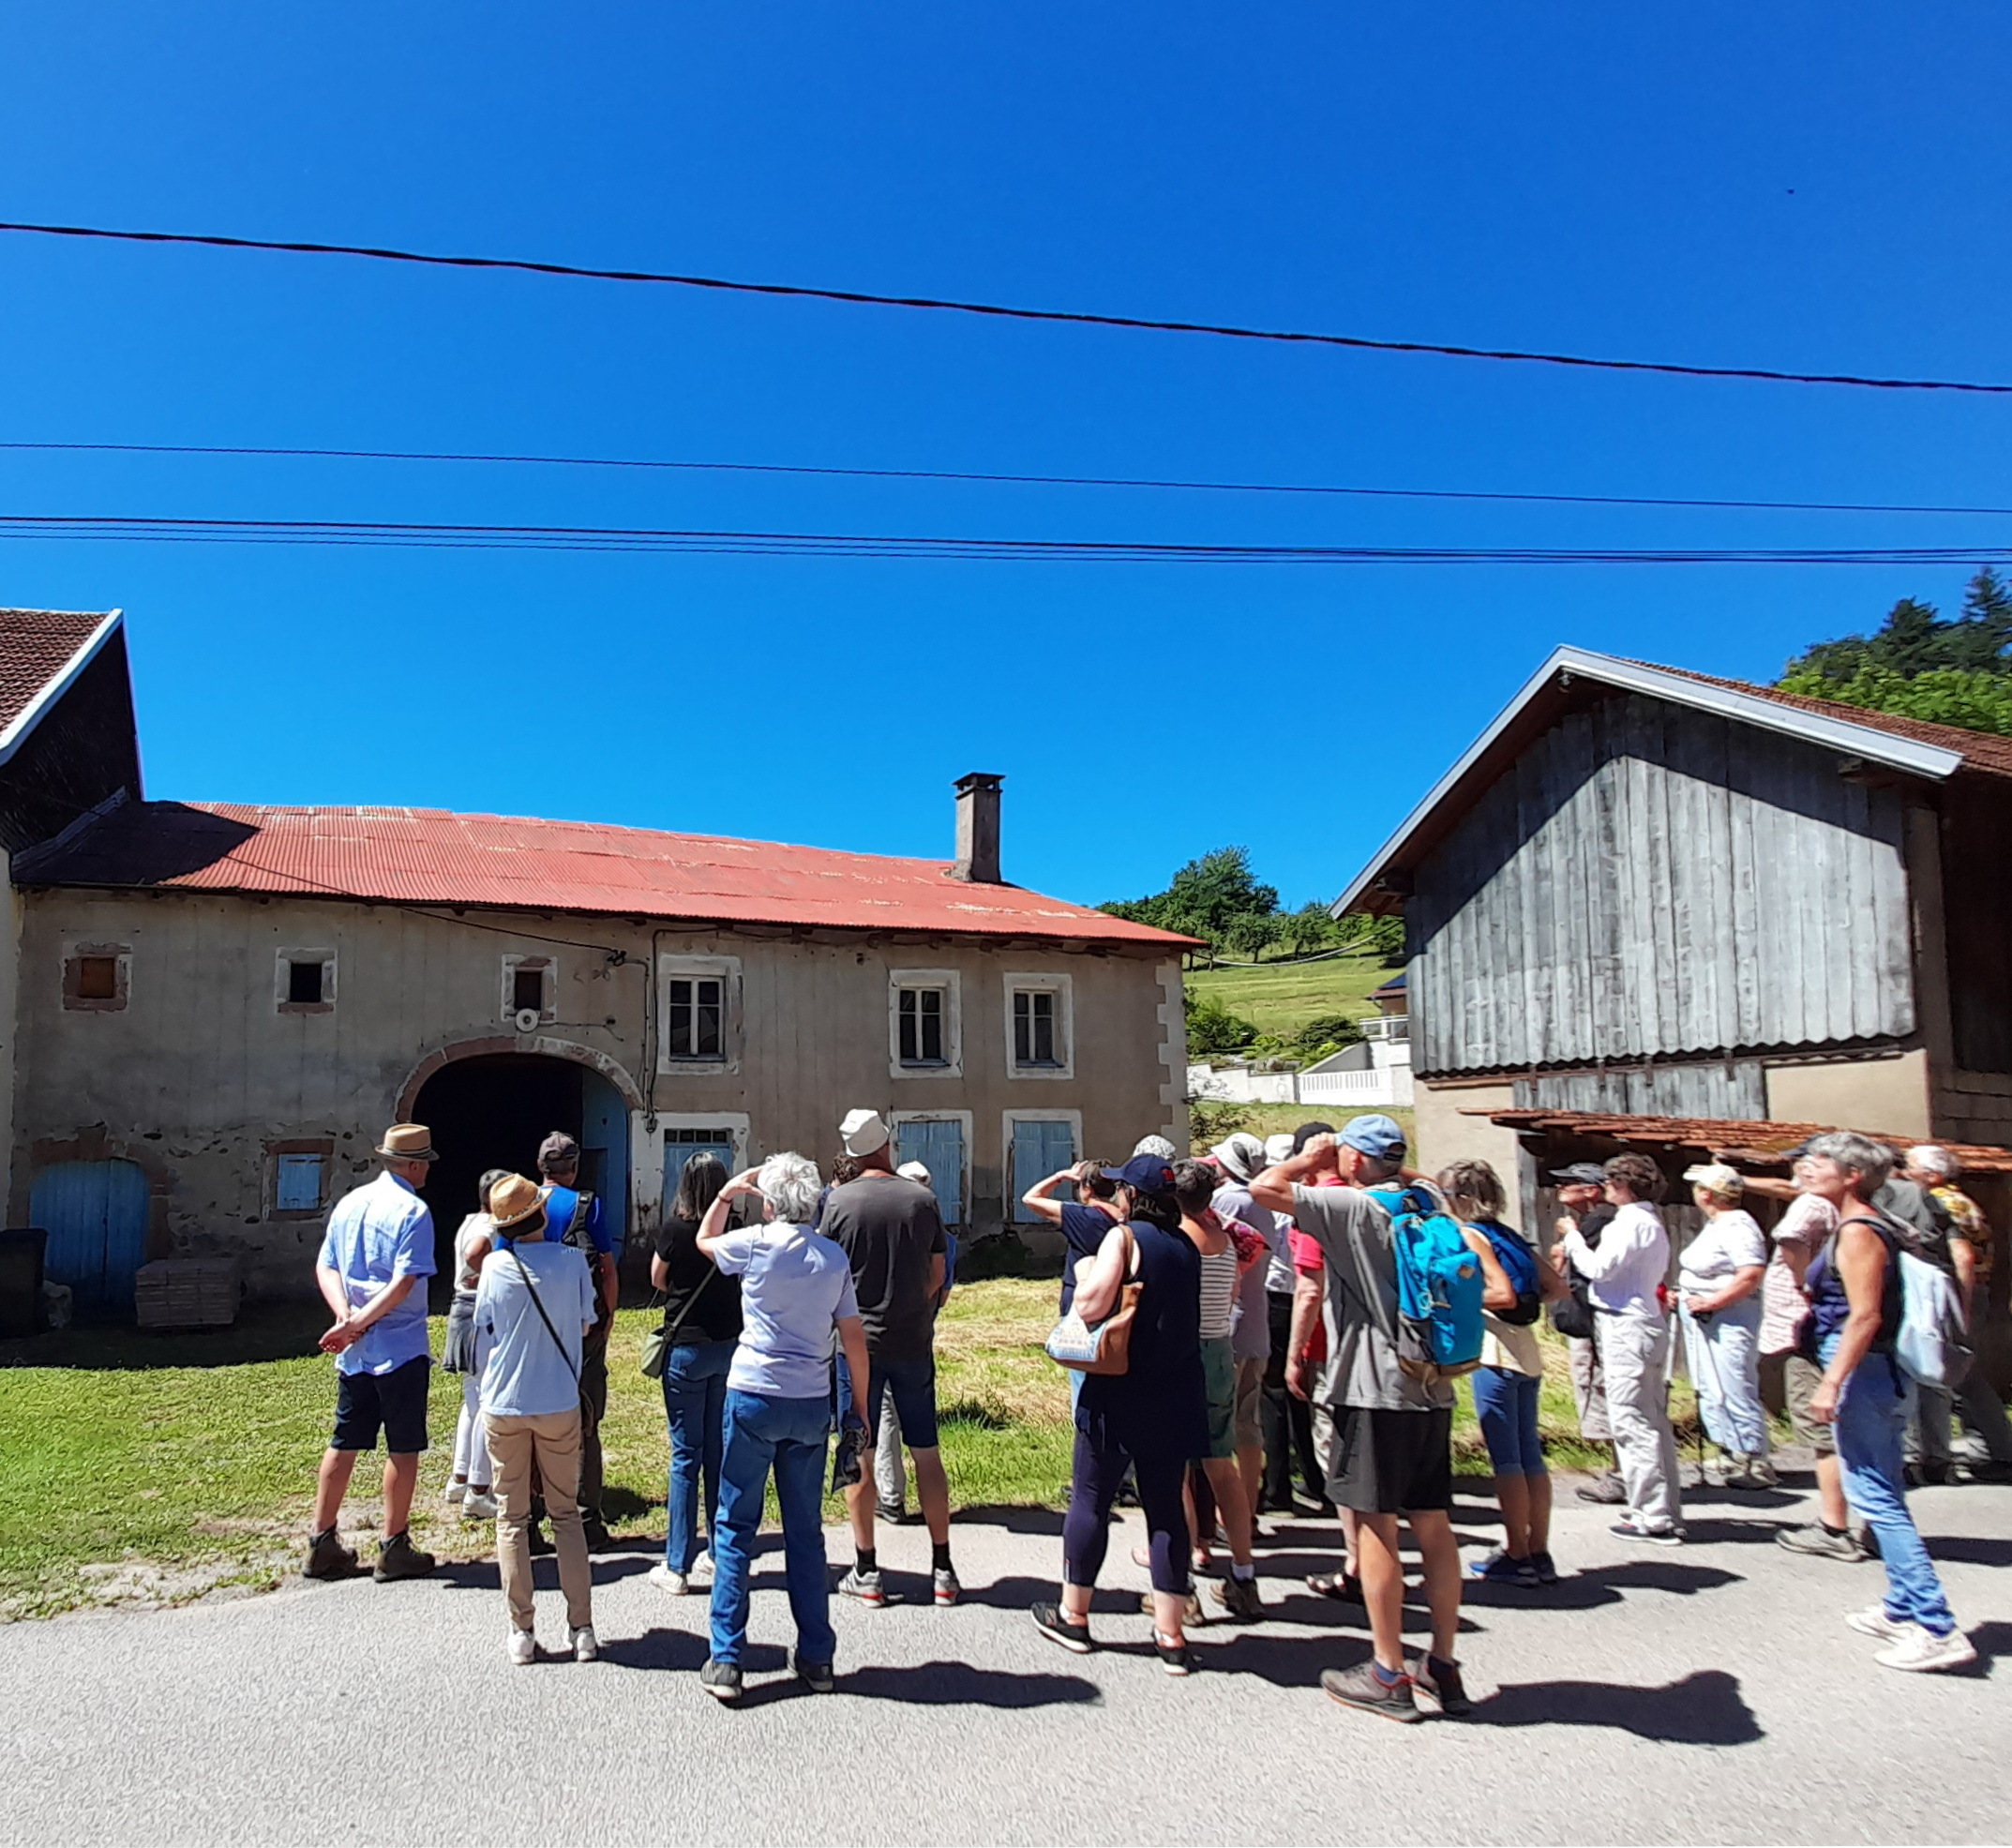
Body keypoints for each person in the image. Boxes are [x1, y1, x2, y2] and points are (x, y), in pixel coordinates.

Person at [1251, 1117, 1470, 1724]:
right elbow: (1432, 1187)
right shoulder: (1426, 1202)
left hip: (1371, 1385)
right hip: (1432, 1383)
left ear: (1352, 1158)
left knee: (1375, 1527)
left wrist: (1310, 1158)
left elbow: (1265, 1188)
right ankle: (1443, 1663)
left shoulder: (1350, 1205)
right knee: (1433, 1522)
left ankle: (1386, 1670)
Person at [1796, 1132, 1976, 1672]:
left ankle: (1936, 1625)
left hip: (1864, 1372)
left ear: (1853, 1174)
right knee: (1882, 1485)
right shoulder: (1865, 1223)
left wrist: (1831, 1383)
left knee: (1876, 1497)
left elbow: (1867, 1314)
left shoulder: (1858, 1231)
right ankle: (1901, 1606)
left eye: (1819, 1161)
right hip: (1876, 1372)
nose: (1806, 1167)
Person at [697, 1153, 873, 1701]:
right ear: (816, 1201)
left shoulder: (752, 1243)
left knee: (734, 1525)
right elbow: (853, 1338)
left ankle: (727, 1657)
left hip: (752, 1391)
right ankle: (817, 1655)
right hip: (809, 1399)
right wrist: (858, 1410)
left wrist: (727, 1195)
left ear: (768, 1203)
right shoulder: (832, 1257)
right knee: (805, 1532)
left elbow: (706, 1243)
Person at [1031, 1152, 1209, 1676]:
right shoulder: (1187, 1245)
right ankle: (1172, 1635)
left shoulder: (1124, 1238)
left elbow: (1088, 1307)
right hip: (1176, 1389)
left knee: (1090, 1496)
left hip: (1120, 1388)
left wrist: (1087, 1271)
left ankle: (1074, 1615)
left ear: (1132, 1196)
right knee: (1166, 1510)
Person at [819, 1108, 957, 1607]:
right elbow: (938, 1272)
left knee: (859, 1448)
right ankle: (943, 1568)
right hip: (912, 1339)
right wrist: (913, 1307)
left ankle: (867, 1568)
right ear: (887, 1145)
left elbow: (825, 1273)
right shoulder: (922, 1200)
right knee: (926, 1451)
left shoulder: (837, 1203)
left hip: (855, 1345)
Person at [303, 1122, 441, 1584]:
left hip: (356, 1350)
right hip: (399, 1345)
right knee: (403, 1446)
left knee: (345, 1438)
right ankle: (394, 1543)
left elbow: (327, 1265)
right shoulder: (414, 1212)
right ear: (416, 1164)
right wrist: (358, 1323)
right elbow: (404, 1283)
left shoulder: (350, 1203)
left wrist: (346, 1318)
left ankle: (321, 1538)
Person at [474, 1172, 601, 1665]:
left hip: (505, 1401)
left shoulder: (494, 1267)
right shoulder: (571, 1262)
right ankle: (582, 1628)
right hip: (557, 1398)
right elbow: (588, 1321)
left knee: (512, 1517)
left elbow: (485, 1328)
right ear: (542, 1214)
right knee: (566, 1513)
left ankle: (521, 1630)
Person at [1442, 1159, 1567, 1587]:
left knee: (1506, 1458)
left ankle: (1515, 1551)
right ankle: (1539, 1550)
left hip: (1494, 1350)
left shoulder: (1470, 1235)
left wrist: (1459, 1299)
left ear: (1460, 1198)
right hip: (1526, 1352)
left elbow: (1502, 1292)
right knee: (1529, 1453)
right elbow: (1555, 1287)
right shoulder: (1508, 1233)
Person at [1566, 1154, 1683, 1545]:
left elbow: (1600, 1269)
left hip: (1624, 1324)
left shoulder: (1629, 1223)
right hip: (1643, 1320)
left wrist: (1572, 1239)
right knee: (1651, 1417)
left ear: (1623, 1186)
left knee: (1631, 1421)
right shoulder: (1650, 1222)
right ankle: (1661, 1506)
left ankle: (1650, 1514)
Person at [1749, 1157, 1862, 1561]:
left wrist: (1802, 1283)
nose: (1804, 1170)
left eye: (1815, 1163)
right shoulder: (1844, 1207)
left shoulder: (1809, 1205)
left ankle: (1834, 1526)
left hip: (1803, 1325)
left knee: (1822, 1431)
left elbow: (1793, 1242)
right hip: (1829, 1323)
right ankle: (1870, 1524)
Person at [1170, 1159, 1265, 1618]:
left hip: (1183, 1356)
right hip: (1219, 1353)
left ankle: (1181, 1584)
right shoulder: (1226, 1242)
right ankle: (1244, 1577)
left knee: (1176, 1474)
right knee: (1220, 1466)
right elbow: (1228, 1299)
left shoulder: (1177, 1243)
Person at [648, 1151, 741, 1596]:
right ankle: (718, 1551)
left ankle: (676, 1563)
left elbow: (658, 1279)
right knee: (717, 1451)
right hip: (728, 1345)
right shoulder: (735, 1230)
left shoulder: (675, 1229)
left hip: (686, 1345)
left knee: (685, 1454)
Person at [1901, 1146, 2012, 1482]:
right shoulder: (1957, 1199)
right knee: (1961, 1372)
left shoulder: (1941, 1202)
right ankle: (1993, 1446)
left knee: (1954, 1371)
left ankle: (1995, 1450)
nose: (1904, 1174)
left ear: (1932, 1175)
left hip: (1956, 1292)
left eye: (1909, 1168)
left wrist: (1959, 1310)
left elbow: (1962, 1258)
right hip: (1965, 1291)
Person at [536, 1133, 619, 1551]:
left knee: (534, 1419)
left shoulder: (521, 1203)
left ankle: (532, 1517)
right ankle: (588, 1519)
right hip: (583, 1326)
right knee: (587, 1420)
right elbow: (606, 1268)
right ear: (575, 1167)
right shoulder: (588, 1206)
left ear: (540, 1167)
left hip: (535, 1329)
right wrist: (608, 1319)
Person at [1675, 1163, 1775, 1489]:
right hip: (1703, 1315)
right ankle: (1729, 1448)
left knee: (1735, 1382)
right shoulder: (1717, 1225)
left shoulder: (1738, 1226)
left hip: (1729, 1316)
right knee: (1711, 1385)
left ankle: (1753, 1457)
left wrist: (1713, 1301)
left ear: (1707, 1194)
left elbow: (1750, 1273)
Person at [874, 1158, 959, 1523]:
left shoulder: (885, 1228)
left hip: (884, 1327)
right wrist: (924, 1309)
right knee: (920, 1423)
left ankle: (891, 1496)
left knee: (884, 1413)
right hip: (921, 1325)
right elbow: (943, 1285)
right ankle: (930, 1504)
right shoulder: (945, 1236)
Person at [1209, 1134, 1283, 1528]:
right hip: (1257, 1323)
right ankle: (1248, 1511)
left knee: (1221, 1426)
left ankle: (1226, 1516)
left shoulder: (1228, 1202)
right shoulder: (1261, 1201)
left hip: (1231, 1326)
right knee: (1248, 1424)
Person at [1262, 1123, 1335, 1514]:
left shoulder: (1285, 1196)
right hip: (1320, 1299)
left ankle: (1277, 1487)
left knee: (1276, 1394)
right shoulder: (1338, 1195)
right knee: (1308, 1394)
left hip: (1283, 1296)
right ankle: (1316, 1478)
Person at [1548, 1164, 1626, 1505]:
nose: (1560, 1187)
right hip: (1588, 1319)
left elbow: (1593, 1270)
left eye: (1570, 1183)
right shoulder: (1589, 1224)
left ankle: (1621, 1474)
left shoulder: (1600, 1223)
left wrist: (1569, 1240)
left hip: (1598, 1321)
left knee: (1605, 1388)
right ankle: (1618, 1471)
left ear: (1592, 1190)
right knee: (1598, 1386)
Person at [440, 1165, 509, 1524]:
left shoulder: (470, 1220)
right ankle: (479, 1491)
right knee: (487, 1399)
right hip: (478, 1311)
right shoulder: (489, 1227)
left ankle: (460, 1477)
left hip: (459, 1309)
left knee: (472, 1399)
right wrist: (489, 1270)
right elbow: (474, 1254)